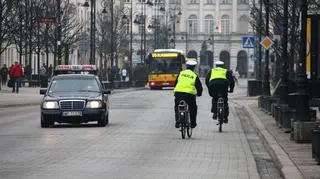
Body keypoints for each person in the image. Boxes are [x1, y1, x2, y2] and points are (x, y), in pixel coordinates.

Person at [173, 60, 203, 129]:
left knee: (177, 106)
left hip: (178, 93)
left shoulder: (181, 73)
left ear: (186, 66)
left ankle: (178, 121)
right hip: (189, 94)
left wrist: (176, 91)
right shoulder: (194, 75)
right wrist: (199, 93)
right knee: (193, 108)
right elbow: (199, 87)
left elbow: (175, 84)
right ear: (194, 67)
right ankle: (192, 123)